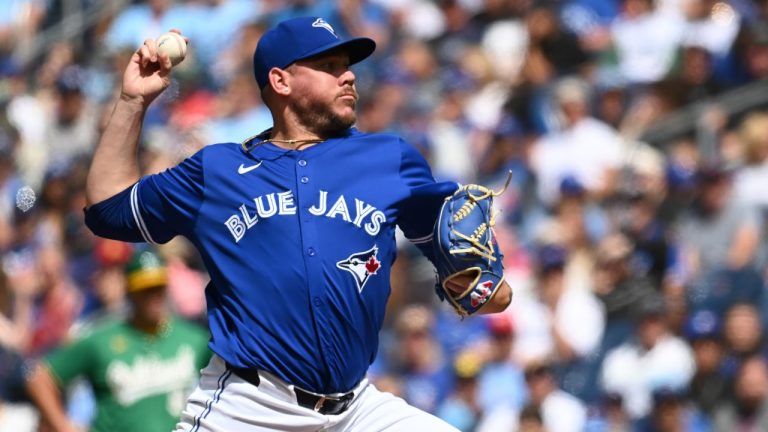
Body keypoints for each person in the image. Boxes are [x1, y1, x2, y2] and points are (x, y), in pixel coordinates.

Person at [83, 16, 512, 431]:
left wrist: (480, 285)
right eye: (328, 67)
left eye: (347, 66)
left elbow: (483, 286)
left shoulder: (390, 159)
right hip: (250, 406)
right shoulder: (218, 170)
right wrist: (132, 101)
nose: (348, 77)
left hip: (356, 410)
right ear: (280, 81)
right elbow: (108, 208)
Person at [24, 249, 211, 432]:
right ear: (130, 290)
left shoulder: (193, 339)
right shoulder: (102, 339)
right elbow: (39, 377)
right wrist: (63, 427)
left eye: (158, 287)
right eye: (145, 289)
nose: (154, 296)